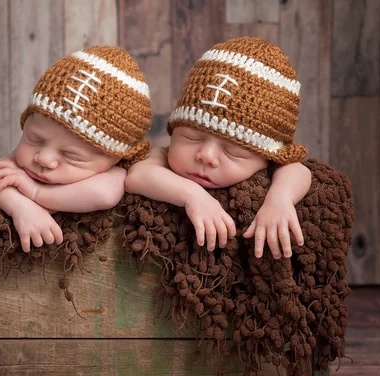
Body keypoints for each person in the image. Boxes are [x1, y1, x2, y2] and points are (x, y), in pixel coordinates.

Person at [125, 37, 311, 259]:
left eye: (233, 152)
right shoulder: (163, 158)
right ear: (174, 131)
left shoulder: (276, 166)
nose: (206, 156)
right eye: (191, 138)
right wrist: (192, 196)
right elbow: (137, 175)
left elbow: (298, 170)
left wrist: (280, 199)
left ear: (269, 158)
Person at [0, 46, 152, 252]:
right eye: (35, 139)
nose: (44, 158)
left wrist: (35, 193)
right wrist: (21, 208)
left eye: (71, 155)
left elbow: (105, 195)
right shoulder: (24, 161)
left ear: (116, 158)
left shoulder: (115, 174)